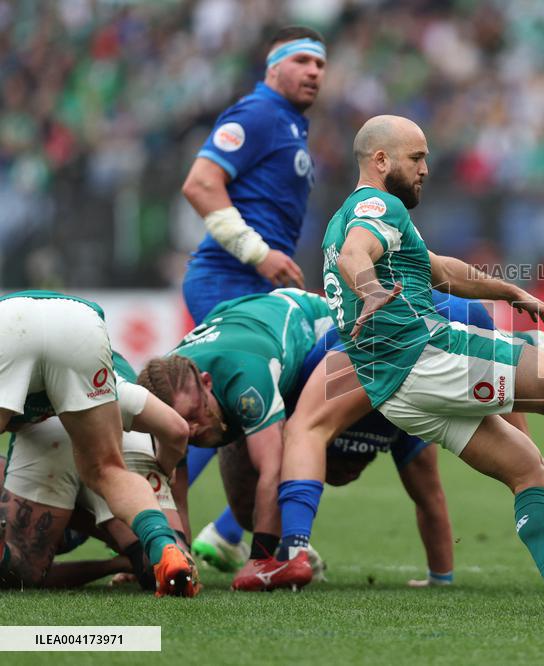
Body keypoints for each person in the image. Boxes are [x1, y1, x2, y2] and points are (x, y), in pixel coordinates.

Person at [278, 115, 544, 616]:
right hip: (427, 354)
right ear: (381, 161)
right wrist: (372, 289)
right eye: (416, 158)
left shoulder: (347, 218)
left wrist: (508, 290)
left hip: (397, 396)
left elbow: (439, 269)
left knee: (527, 471)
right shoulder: (375, 205)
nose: (426, 168)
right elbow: (356, 254)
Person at [179, 25, 327, 568]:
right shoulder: (259, 113)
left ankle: (225, 531)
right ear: (274, 67)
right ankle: (153, 530)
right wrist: (256, 251)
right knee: (203, 410)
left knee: (270, 412)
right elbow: (200, 183)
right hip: (229, 280)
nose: (315, 71)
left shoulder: (289, 123)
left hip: (256, 286)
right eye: (304, 60)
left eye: (321, 64)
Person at [0, 291, 198, 597]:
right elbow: (176, 429)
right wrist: (166, 469)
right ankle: (164, 546)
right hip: (79, 326)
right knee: (107, 471)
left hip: (8, 325)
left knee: (23, 570)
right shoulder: (114, 382)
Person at [138, 288, 333, 592]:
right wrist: (176, 557)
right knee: (245, 508)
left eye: (194, 415)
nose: (189, 430)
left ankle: (292, 549)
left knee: (340, 462)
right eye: (178, 422)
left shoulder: (245, 380)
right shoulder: (160, 394)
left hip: (315, 325)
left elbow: (273, 467)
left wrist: (261, 560)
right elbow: (173, 485)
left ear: (207, 383)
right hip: (246, 325)